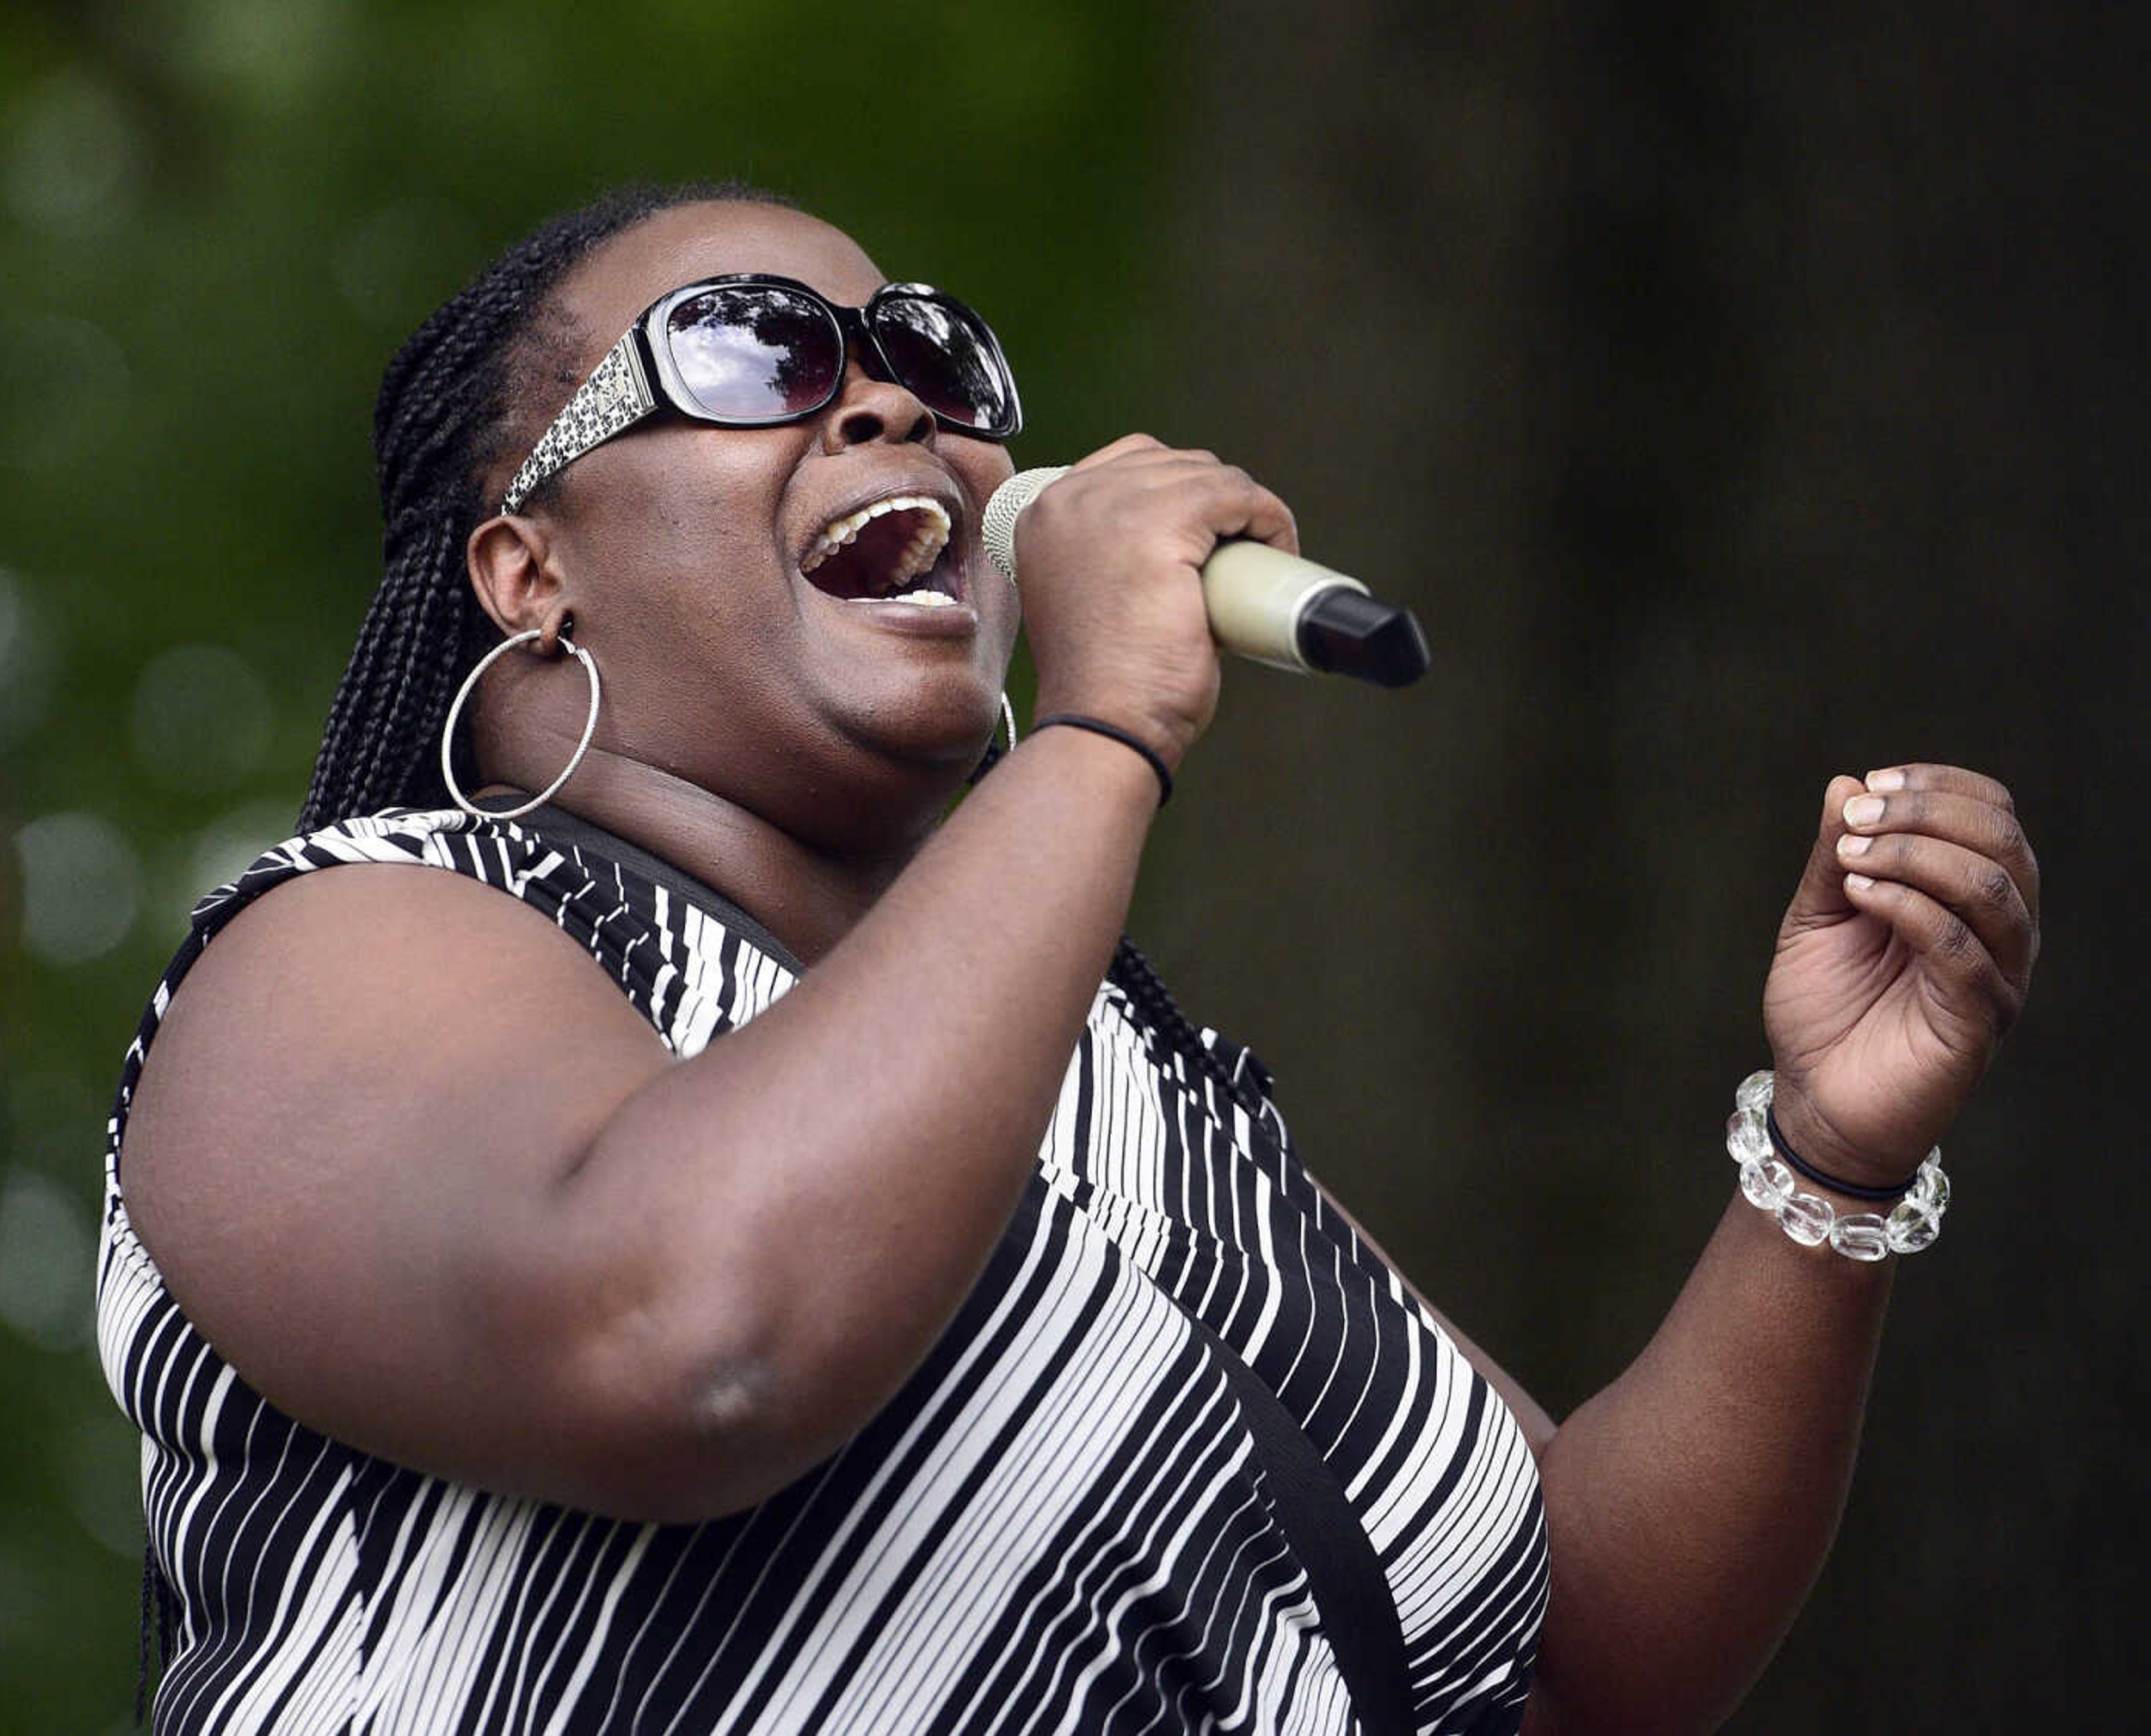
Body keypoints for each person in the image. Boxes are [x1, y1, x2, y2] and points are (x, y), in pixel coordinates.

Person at [98, 182, 2039, 1735]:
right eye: (757, 351)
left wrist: (1826, 1163)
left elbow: (1577, 1650)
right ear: (532, 569)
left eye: (924, 359)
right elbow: (680, 1331)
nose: (889, 407)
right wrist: (1107, 727)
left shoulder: (1107, 1079)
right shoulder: (353, 938)